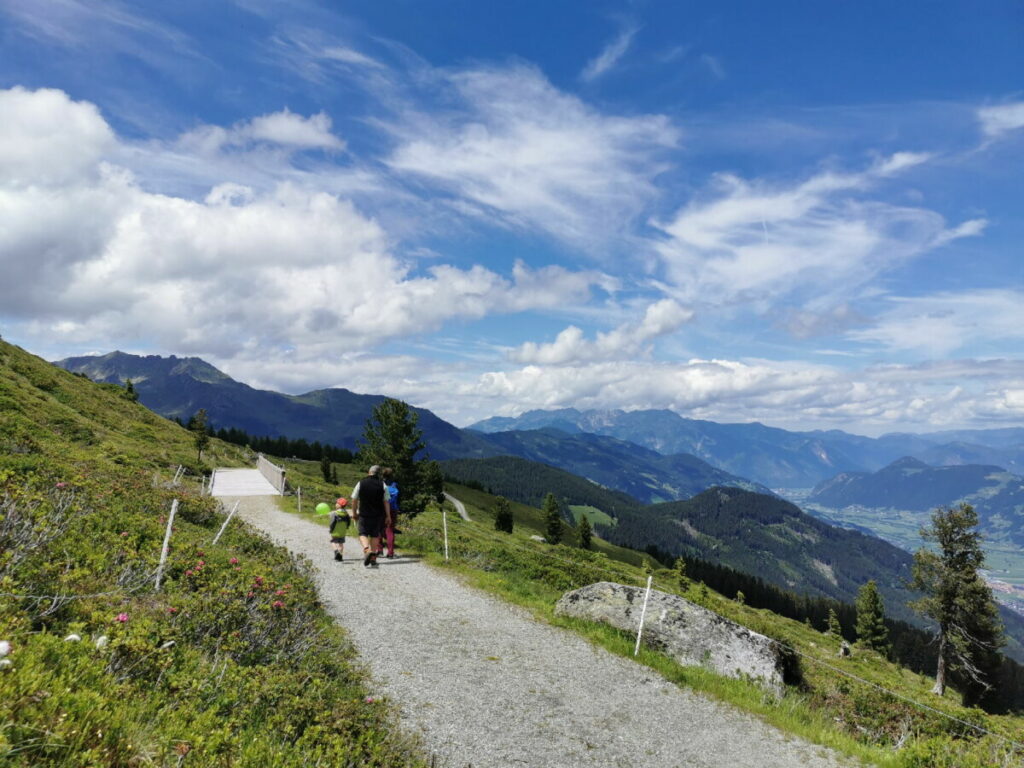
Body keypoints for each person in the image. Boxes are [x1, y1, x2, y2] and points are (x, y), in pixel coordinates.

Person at [350, 465, 390, 567]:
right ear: (379, 473)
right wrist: (388, 516)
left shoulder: (361, 483)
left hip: (364, 513)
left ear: (369, 472)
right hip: (377, 515)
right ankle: (373, 558)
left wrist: (354, 513)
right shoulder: (383, 485)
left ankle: (367, 549)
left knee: (362, 533)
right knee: (375, 535)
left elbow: (354, 499)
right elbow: (386, 502)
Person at [380, 468, 400, 559]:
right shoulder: (395, 485)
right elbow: (399, 498)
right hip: (393, 509)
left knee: (379, 528)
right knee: (390, 530)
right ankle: (390, 552)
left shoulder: (380, 484)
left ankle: (379, 550)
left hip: (382, 508)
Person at [328, 497, 349, 562]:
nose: (336, 504)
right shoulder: (346, 514)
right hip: (343, 531)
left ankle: (336, 551)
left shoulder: (334, 513)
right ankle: (340, 556)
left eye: (337, 503)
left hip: (335, 531)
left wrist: (331, 529)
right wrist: (346, 527)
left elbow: (332, 522)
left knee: (332, 541)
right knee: (341, 543)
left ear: (339, 505)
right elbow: (348, 522)